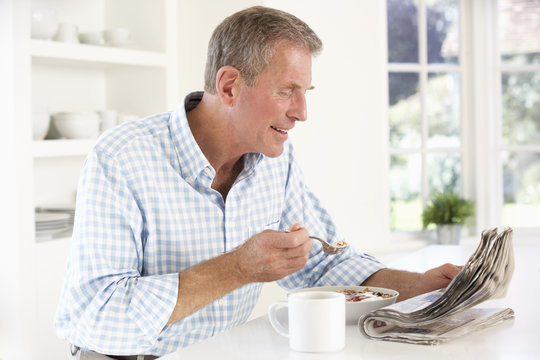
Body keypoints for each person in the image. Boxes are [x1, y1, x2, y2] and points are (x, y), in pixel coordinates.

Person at [54, 6, 461, 359]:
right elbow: (100, 314)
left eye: (305, 92)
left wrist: (423, 286)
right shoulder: (122, 158)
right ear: (229, 86)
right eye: (287, 91)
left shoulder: (274, 164)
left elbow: (322, 265)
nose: (302, 112)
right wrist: (238, 267)